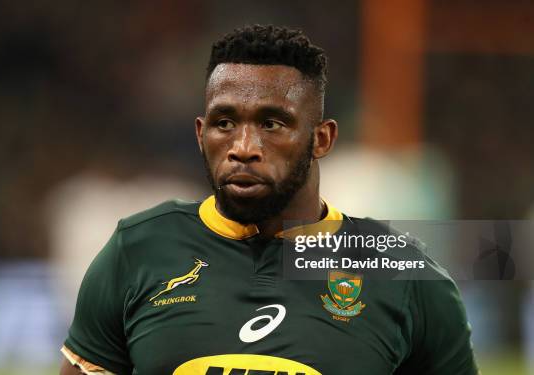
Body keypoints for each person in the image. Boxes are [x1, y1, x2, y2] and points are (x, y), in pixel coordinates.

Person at [59, 24, 478, 375]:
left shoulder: (404, 274)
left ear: (322, 138)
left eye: (272, 123)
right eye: (224, 123)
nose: (243, 146)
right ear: (200, 133)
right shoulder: (137, 250)